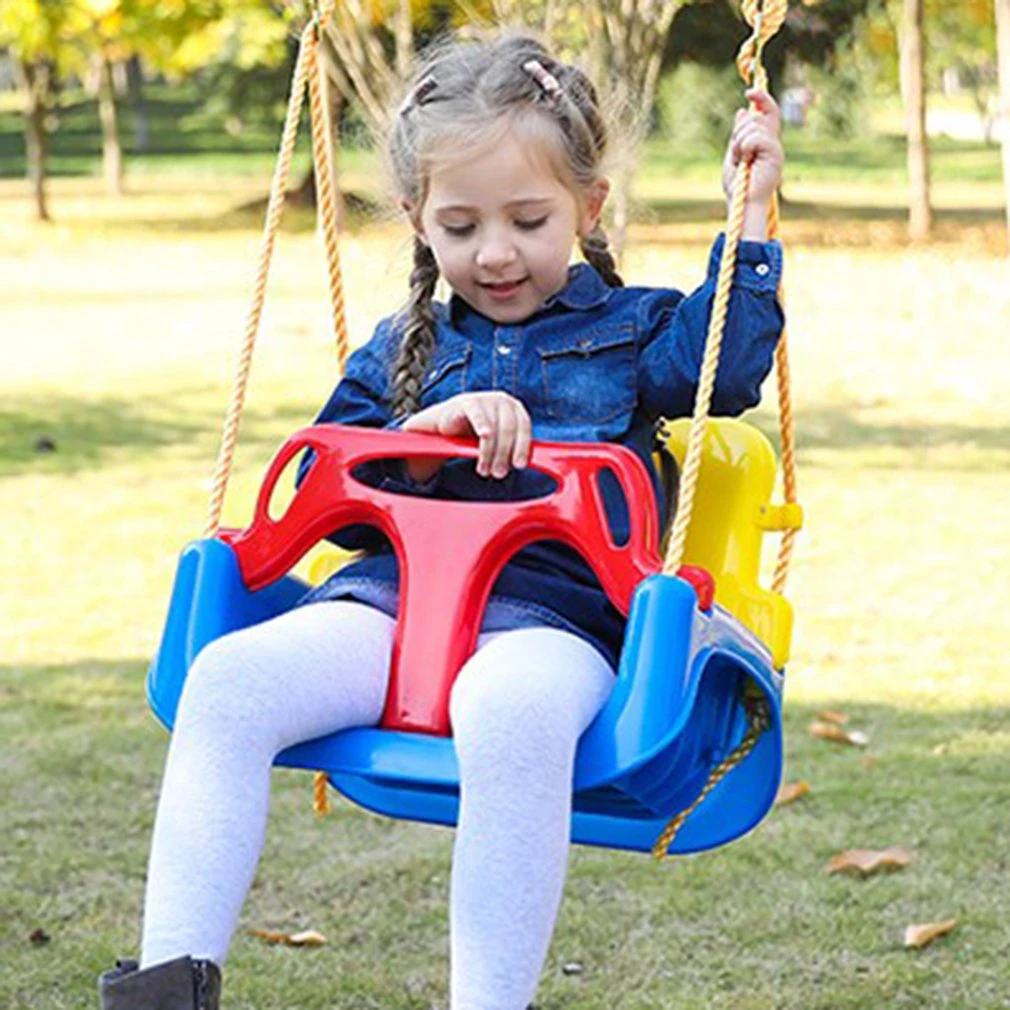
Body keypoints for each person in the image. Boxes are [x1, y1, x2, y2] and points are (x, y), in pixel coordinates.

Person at [99, 30, 785, 1010]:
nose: (494, 251)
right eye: (460, 226)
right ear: (419, 220)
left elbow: (725, 371)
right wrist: (421, 438)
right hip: (387, 610)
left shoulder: (637, 332)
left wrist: (750, 218)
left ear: (587, 207)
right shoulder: (399, 350)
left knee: (505, 711)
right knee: (227, 682)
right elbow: (326, 499)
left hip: (551, 625)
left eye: (527, 218)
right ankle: (165, 987)